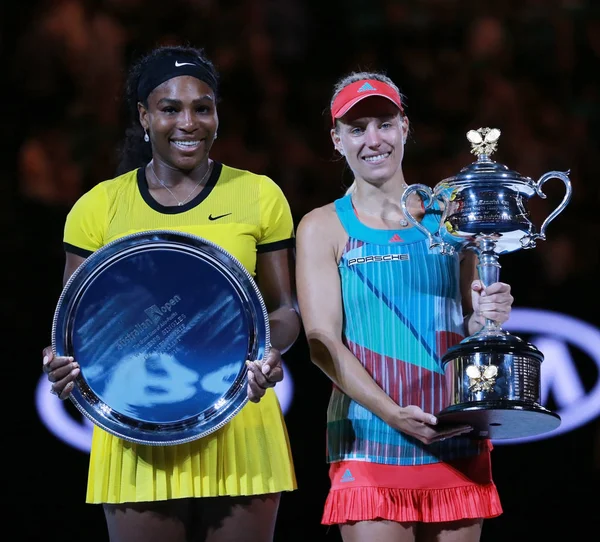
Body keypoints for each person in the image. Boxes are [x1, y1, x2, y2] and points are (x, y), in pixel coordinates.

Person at [41, 44, 300, 542]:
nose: (189, 122)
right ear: (144, 116)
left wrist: (272, 349)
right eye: (170, 109)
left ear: (217, 115)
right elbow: (76, 330)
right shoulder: (97, 208)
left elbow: (284, 310)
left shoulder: (259, 194)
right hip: (138, 432)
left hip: (240, 422)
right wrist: (61, 363)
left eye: (202, 108)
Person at [295, 72, 514, 542]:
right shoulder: (321, 227)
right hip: (368, 437)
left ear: (405, 127)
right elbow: (322, 343)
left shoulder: (452, 216)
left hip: (454, 427)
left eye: (384, 123)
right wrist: (391, 413)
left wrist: (487, 315)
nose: (373, 140)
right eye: (357, 129)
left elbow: (469, 318)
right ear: (337, 140)